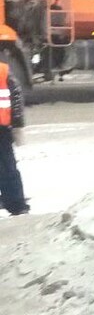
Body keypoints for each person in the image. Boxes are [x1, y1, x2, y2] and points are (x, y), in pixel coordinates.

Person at [0, 60, 28, 216]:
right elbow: (16, 95)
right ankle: (16, 203)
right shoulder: (3, 70)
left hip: (1, 128)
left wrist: (17, 124)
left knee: (6, 167)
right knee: (7, 167)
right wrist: (17, 124)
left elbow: (15, 96)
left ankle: (16, 204)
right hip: (2, 128)